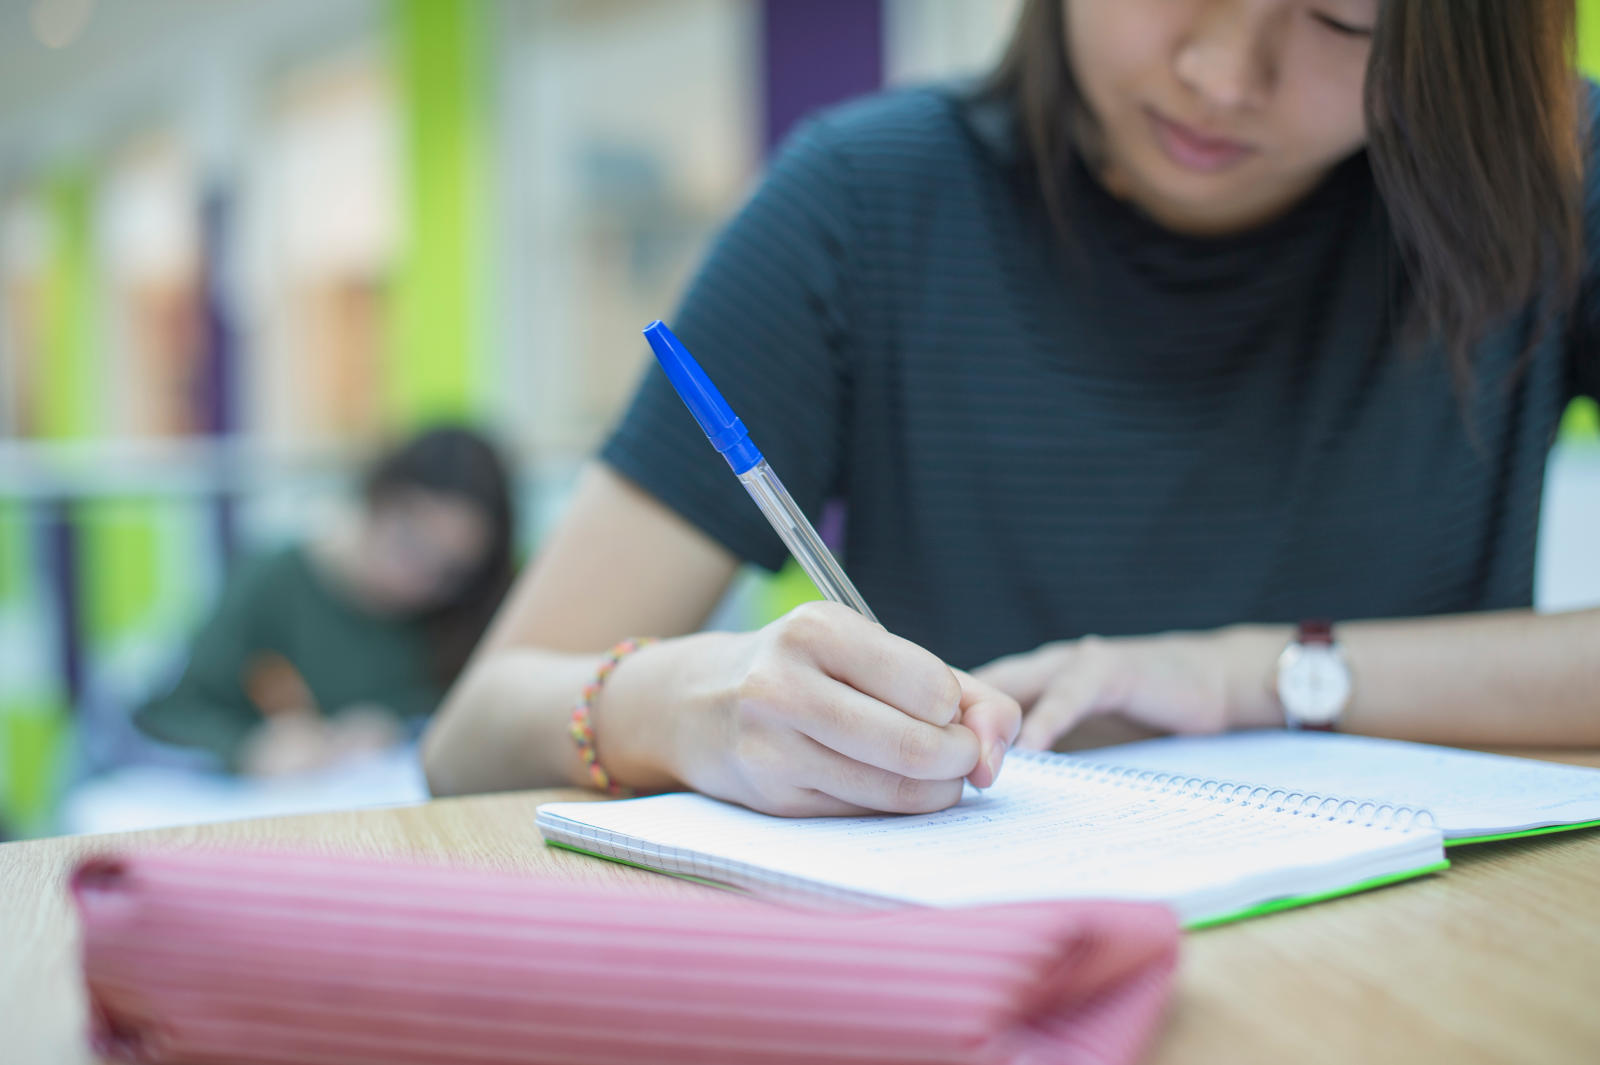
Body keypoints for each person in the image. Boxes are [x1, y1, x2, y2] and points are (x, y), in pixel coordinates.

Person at [423, 0, 1600, 816]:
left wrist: (1254, 676)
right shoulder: (861, 207)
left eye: (1350, 22)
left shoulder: (1557, 182)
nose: (1222, 75)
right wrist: (681, 707)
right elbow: (472, 734)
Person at [137, 426, 515, 775]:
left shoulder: (463, 610)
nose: (417, 579)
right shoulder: (274, 580)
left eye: (449, 572)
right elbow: (174, 711)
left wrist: (397, 727)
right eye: (410, 544)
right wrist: (249, 748)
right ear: (376, 500)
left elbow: (471, 705)